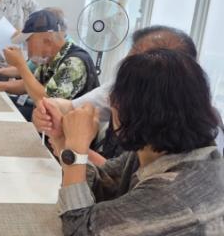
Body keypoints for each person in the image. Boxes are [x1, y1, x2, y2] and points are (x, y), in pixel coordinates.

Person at [56, 49, 224, 236]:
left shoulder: (178, 190)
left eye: (115, 97)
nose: (110, 102)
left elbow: (77, 225)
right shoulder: (157, 150)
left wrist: (77, 148)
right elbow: (101, 184)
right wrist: (64, 141)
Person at [31, 25, 219, 164]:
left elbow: (119, 191)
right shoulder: (129, 90)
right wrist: (49, 115)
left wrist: (76, 149)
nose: (113, 100)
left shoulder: (183, 137)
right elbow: (116, 178)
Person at [0, 9, 99, 120]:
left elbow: (48, 103)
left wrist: (21, 66)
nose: (26, 47)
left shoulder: (74, 63)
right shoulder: (49, 58)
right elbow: (28, 85)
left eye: (28, 41)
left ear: (47, 39)